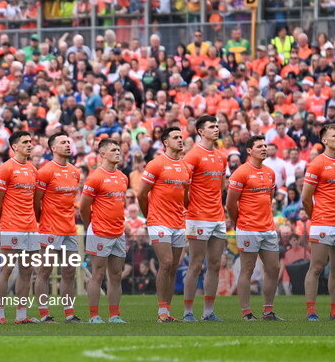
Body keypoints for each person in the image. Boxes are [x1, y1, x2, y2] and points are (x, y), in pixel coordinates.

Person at [226, 136, 283, 321]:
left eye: (265, 145)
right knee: (247, 269)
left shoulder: (270, 172)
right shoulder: (240, 173)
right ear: (250, 150)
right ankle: (246, 313)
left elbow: (270, 198)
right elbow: (230, 204)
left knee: (273, 268)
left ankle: (268, 311)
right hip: (248, 228)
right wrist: (240, 222)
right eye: (259, 146)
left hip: (268, 227)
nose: (264, 148)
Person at [137, 125, 190, 322]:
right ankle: (161, 312)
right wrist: (149, 215)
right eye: (176, 137)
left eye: (181, 137)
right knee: (166, 262)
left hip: (178, 221)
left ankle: (167, 311)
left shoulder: (184, 167)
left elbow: (185, 196)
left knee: (173, 267)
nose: (180, 140)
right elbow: (141, 194)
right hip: (159, 221)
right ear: (166, 142)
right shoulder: (156, 164)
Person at [302, 123, 335, 321]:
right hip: (323, 222)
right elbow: (306, 198)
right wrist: (315, 217)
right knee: (316, 267)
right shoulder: (317, 164)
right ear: (324, 140)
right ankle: (311, 312)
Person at [181, 114, 228, 321]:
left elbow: (222, 186)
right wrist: (189, 207)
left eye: (217, 126)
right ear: (201, 131)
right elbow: (183, 185)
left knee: (216, 264)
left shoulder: (221, 156)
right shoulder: (192, 155)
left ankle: (208, 312)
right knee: (196, 264)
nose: (216, 129)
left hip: (217, 216)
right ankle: (188, 311)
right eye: (211, 126)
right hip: (198, 216)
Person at [0, 130, 40, 324]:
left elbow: (35, 201)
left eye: (31, 141)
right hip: (11, 225)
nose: (30, 144)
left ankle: (21, 315)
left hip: (30, 226)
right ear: (14, 147)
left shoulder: (32, 170)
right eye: (25, 142)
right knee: (6, 269)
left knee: (27, 271)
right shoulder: (6, 168)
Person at [80, 138, 130, 324]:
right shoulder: (95, 177)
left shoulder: (123, 177)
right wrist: (90, 225)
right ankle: (94, 316)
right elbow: (84, 207)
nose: (118, 152)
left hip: (118, 231)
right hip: (100, 231)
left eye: (119, 149)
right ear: (102, 154)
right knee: (98, 274)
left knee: (116, 275)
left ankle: (114, 315)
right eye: (114, 150)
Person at [34, 132, 82, 323]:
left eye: (68, 142)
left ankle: (69, 314)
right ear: (53, 148)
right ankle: (44, 314)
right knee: (44, 272)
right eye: (63, 142)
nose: (67, 145)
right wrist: (43, 221)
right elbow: (36, 201)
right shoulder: (45, 171)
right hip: (50, 228)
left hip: (70, 228)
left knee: (69, 272)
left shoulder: (75, 171)